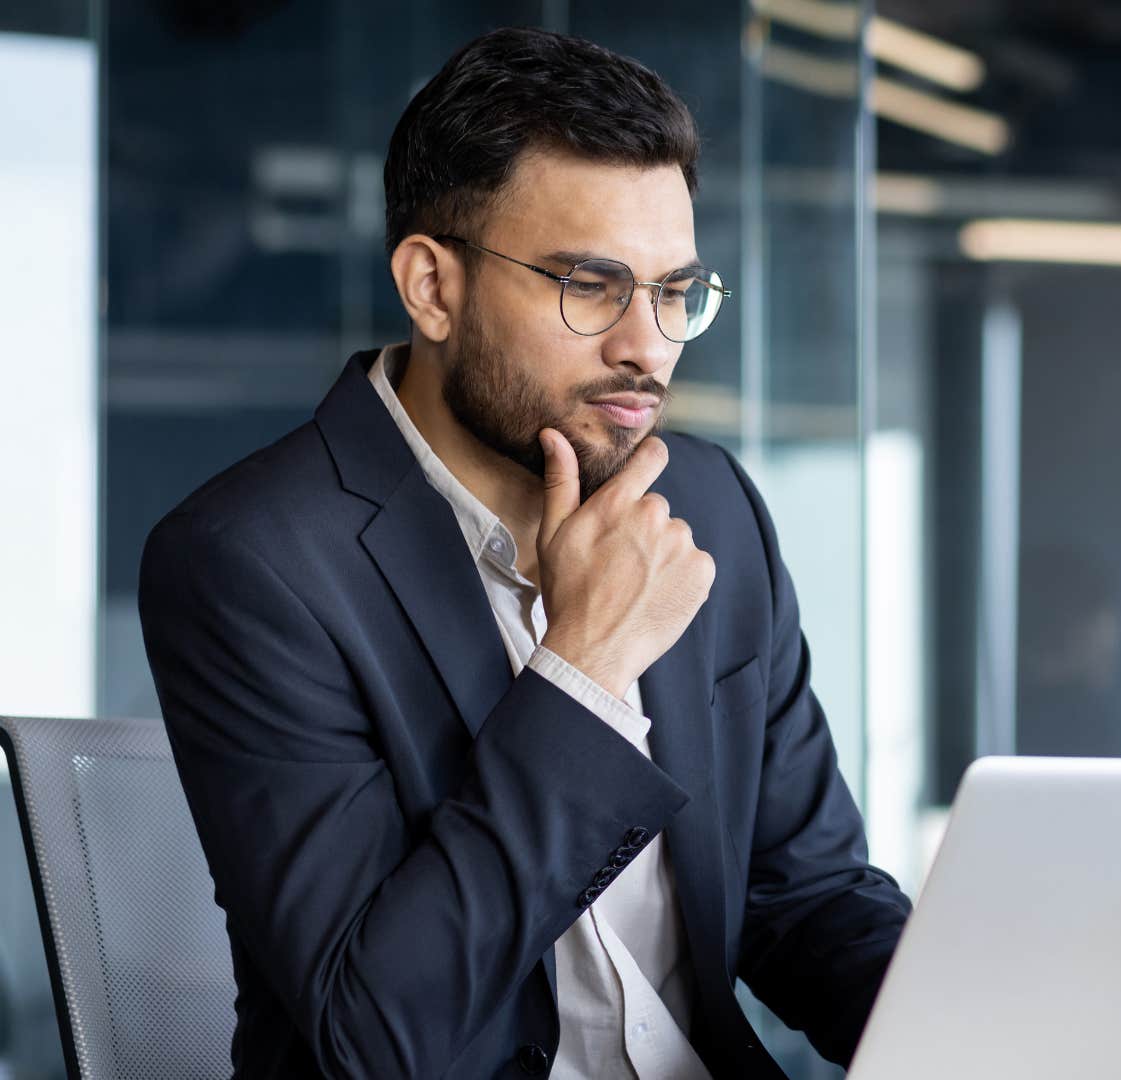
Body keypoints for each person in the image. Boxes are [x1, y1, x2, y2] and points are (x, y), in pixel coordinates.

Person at [137, 27, 909, 1080]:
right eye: (591, 285)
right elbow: (377, 1037)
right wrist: (585, 669)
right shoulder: (253, 564)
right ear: (432, 287)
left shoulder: (710, 507)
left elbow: (807, 896)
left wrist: (997, 1029)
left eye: (674, 292)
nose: (647, 345)